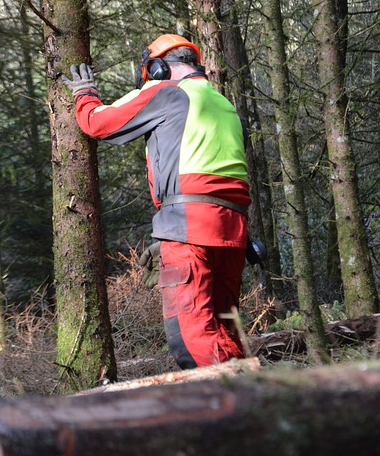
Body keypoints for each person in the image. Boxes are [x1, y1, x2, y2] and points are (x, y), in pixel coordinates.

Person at [61, 33, 251, 369]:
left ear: (159, 68)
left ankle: (231, 407)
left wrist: (85, 95)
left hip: (190, 226)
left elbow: (98, 123)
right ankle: (254, 397)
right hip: (233, 232)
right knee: (224, 328)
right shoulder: (224, 104)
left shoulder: (167, 92)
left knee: (190, 339)